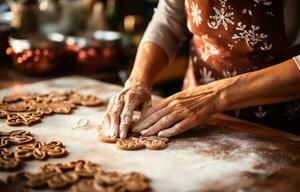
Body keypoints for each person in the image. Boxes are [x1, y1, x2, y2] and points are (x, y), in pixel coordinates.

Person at [102, 0, 300, 138]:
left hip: (279, 122)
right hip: (192, 117)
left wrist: (215, 96)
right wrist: (138, 81)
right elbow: (169, 20)